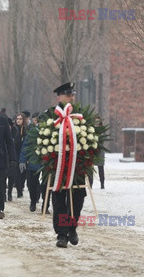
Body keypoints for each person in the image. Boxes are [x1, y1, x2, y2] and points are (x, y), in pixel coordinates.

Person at [47, 82, 86, 248]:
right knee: (59, 200)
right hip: (58, 166)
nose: (72, 97)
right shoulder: (50, 115)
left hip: (77, 166)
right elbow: (43, 139)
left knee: (78, 198)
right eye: (68, 94)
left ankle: (72, 227)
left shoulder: (80, 115)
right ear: (59, 97)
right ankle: (62, 234)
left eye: (73, 94)